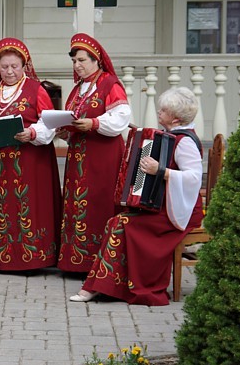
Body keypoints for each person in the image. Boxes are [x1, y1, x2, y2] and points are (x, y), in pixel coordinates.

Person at [70, 87, 204, 305]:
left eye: (164, 110)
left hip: (181, 210)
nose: (159, 112)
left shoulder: (185, 141)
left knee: (122, 223)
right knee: (118, 220)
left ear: (177, 119)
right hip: (164, 205)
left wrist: (160, 171)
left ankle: (106, 287)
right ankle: (102, 286)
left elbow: (193, 178)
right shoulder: (170, 137)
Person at [0, 38, 61, 273]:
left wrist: (32, 132)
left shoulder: (36, 90)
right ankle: (3, 257)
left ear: (24, 66)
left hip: (30, 163)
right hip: (0, 165)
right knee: (4, 208)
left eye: (14, 66)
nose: (9, 72)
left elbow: (49, 123)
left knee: (29, 206)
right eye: (4, 67)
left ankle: (33, 258)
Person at [57, 33, 131, 273]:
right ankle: (76, 261)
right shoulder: (78, 89)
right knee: (78, 206)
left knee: (98, 205)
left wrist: (94, 124)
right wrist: (63, 130)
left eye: (82, 60)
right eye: (74, 61)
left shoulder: (110, 84)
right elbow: (74, 118)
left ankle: (101, 264)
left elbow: (120, 119)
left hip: (103, 157)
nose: (77, 66)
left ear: (96, 59)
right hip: (79, 158)